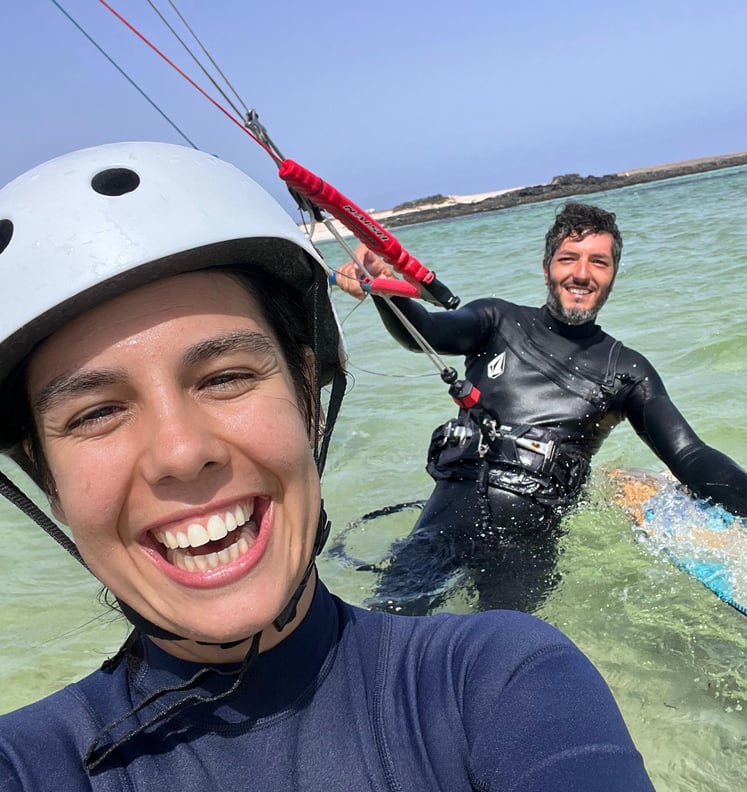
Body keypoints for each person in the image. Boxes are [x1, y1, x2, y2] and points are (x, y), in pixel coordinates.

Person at [0, 143, 655, 790]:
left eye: (225, 377)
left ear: (308, 399)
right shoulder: (29, 764)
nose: (180, 452)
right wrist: (388, 296)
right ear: (46, 479)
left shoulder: (501, 678)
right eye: (94, 414)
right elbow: (425, 325)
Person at [335, 204, 747, 615]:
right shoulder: (496, 321)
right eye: (568, 259)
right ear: (547, 268)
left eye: (598, 262)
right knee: (387, 639)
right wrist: (385, 290)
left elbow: (691, 457)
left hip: (527, 550)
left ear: (613, 275)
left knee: (499, 661)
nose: (581, 274)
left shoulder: (627, 370)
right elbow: (424, 332)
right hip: (443, 527)